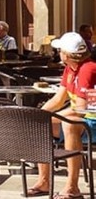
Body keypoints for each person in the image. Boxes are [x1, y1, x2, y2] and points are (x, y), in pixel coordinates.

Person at [29, 32, 96, 199]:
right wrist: (39, 115)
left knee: (69, 124)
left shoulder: (88, 69)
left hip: (92, 119)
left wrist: (58, 116)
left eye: (60, 50)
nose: (58, 53)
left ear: (66, 54)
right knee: (40, 124)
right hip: (82, 117)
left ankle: (72, 187)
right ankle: (44, 181)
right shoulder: (70, 69)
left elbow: (81, 108)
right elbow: (59, 99)